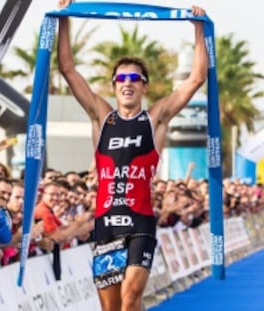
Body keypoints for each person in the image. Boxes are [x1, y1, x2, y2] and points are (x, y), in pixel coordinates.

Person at [57, 1, 208, 310]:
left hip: (140, 223)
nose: (127, 84)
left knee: (130, 300)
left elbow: (195, 79)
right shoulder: (101, 117)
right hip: (106, 224)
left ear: (144, 86)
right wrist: (64, 18)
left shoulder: (155, 119)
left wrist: (198, 28)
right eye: (121, 79)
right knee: (112, 308)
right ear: (114, 85)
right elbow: (68, 70)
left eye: (134, 79)